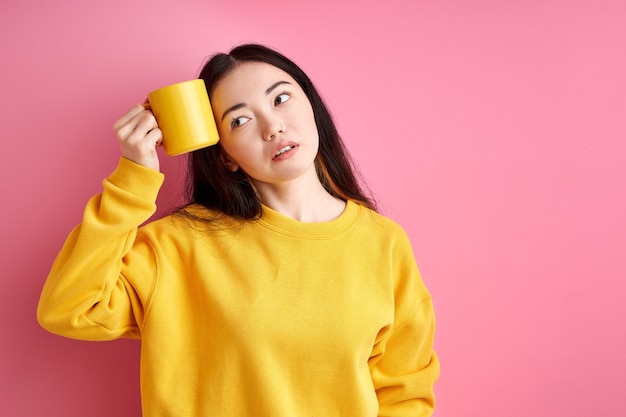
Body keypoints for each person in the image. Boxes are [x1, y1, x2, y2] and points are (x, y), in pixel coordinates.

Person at [37, 43, 440, 417]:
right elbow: (68, 308)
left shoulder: (383, 242)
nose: (272, 127)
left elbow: (405, 391)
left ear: (311, 106)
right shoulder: (178, 246)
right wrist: (134, 178)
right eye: (241, 120)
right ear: (226, 157)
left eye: (281, 98)